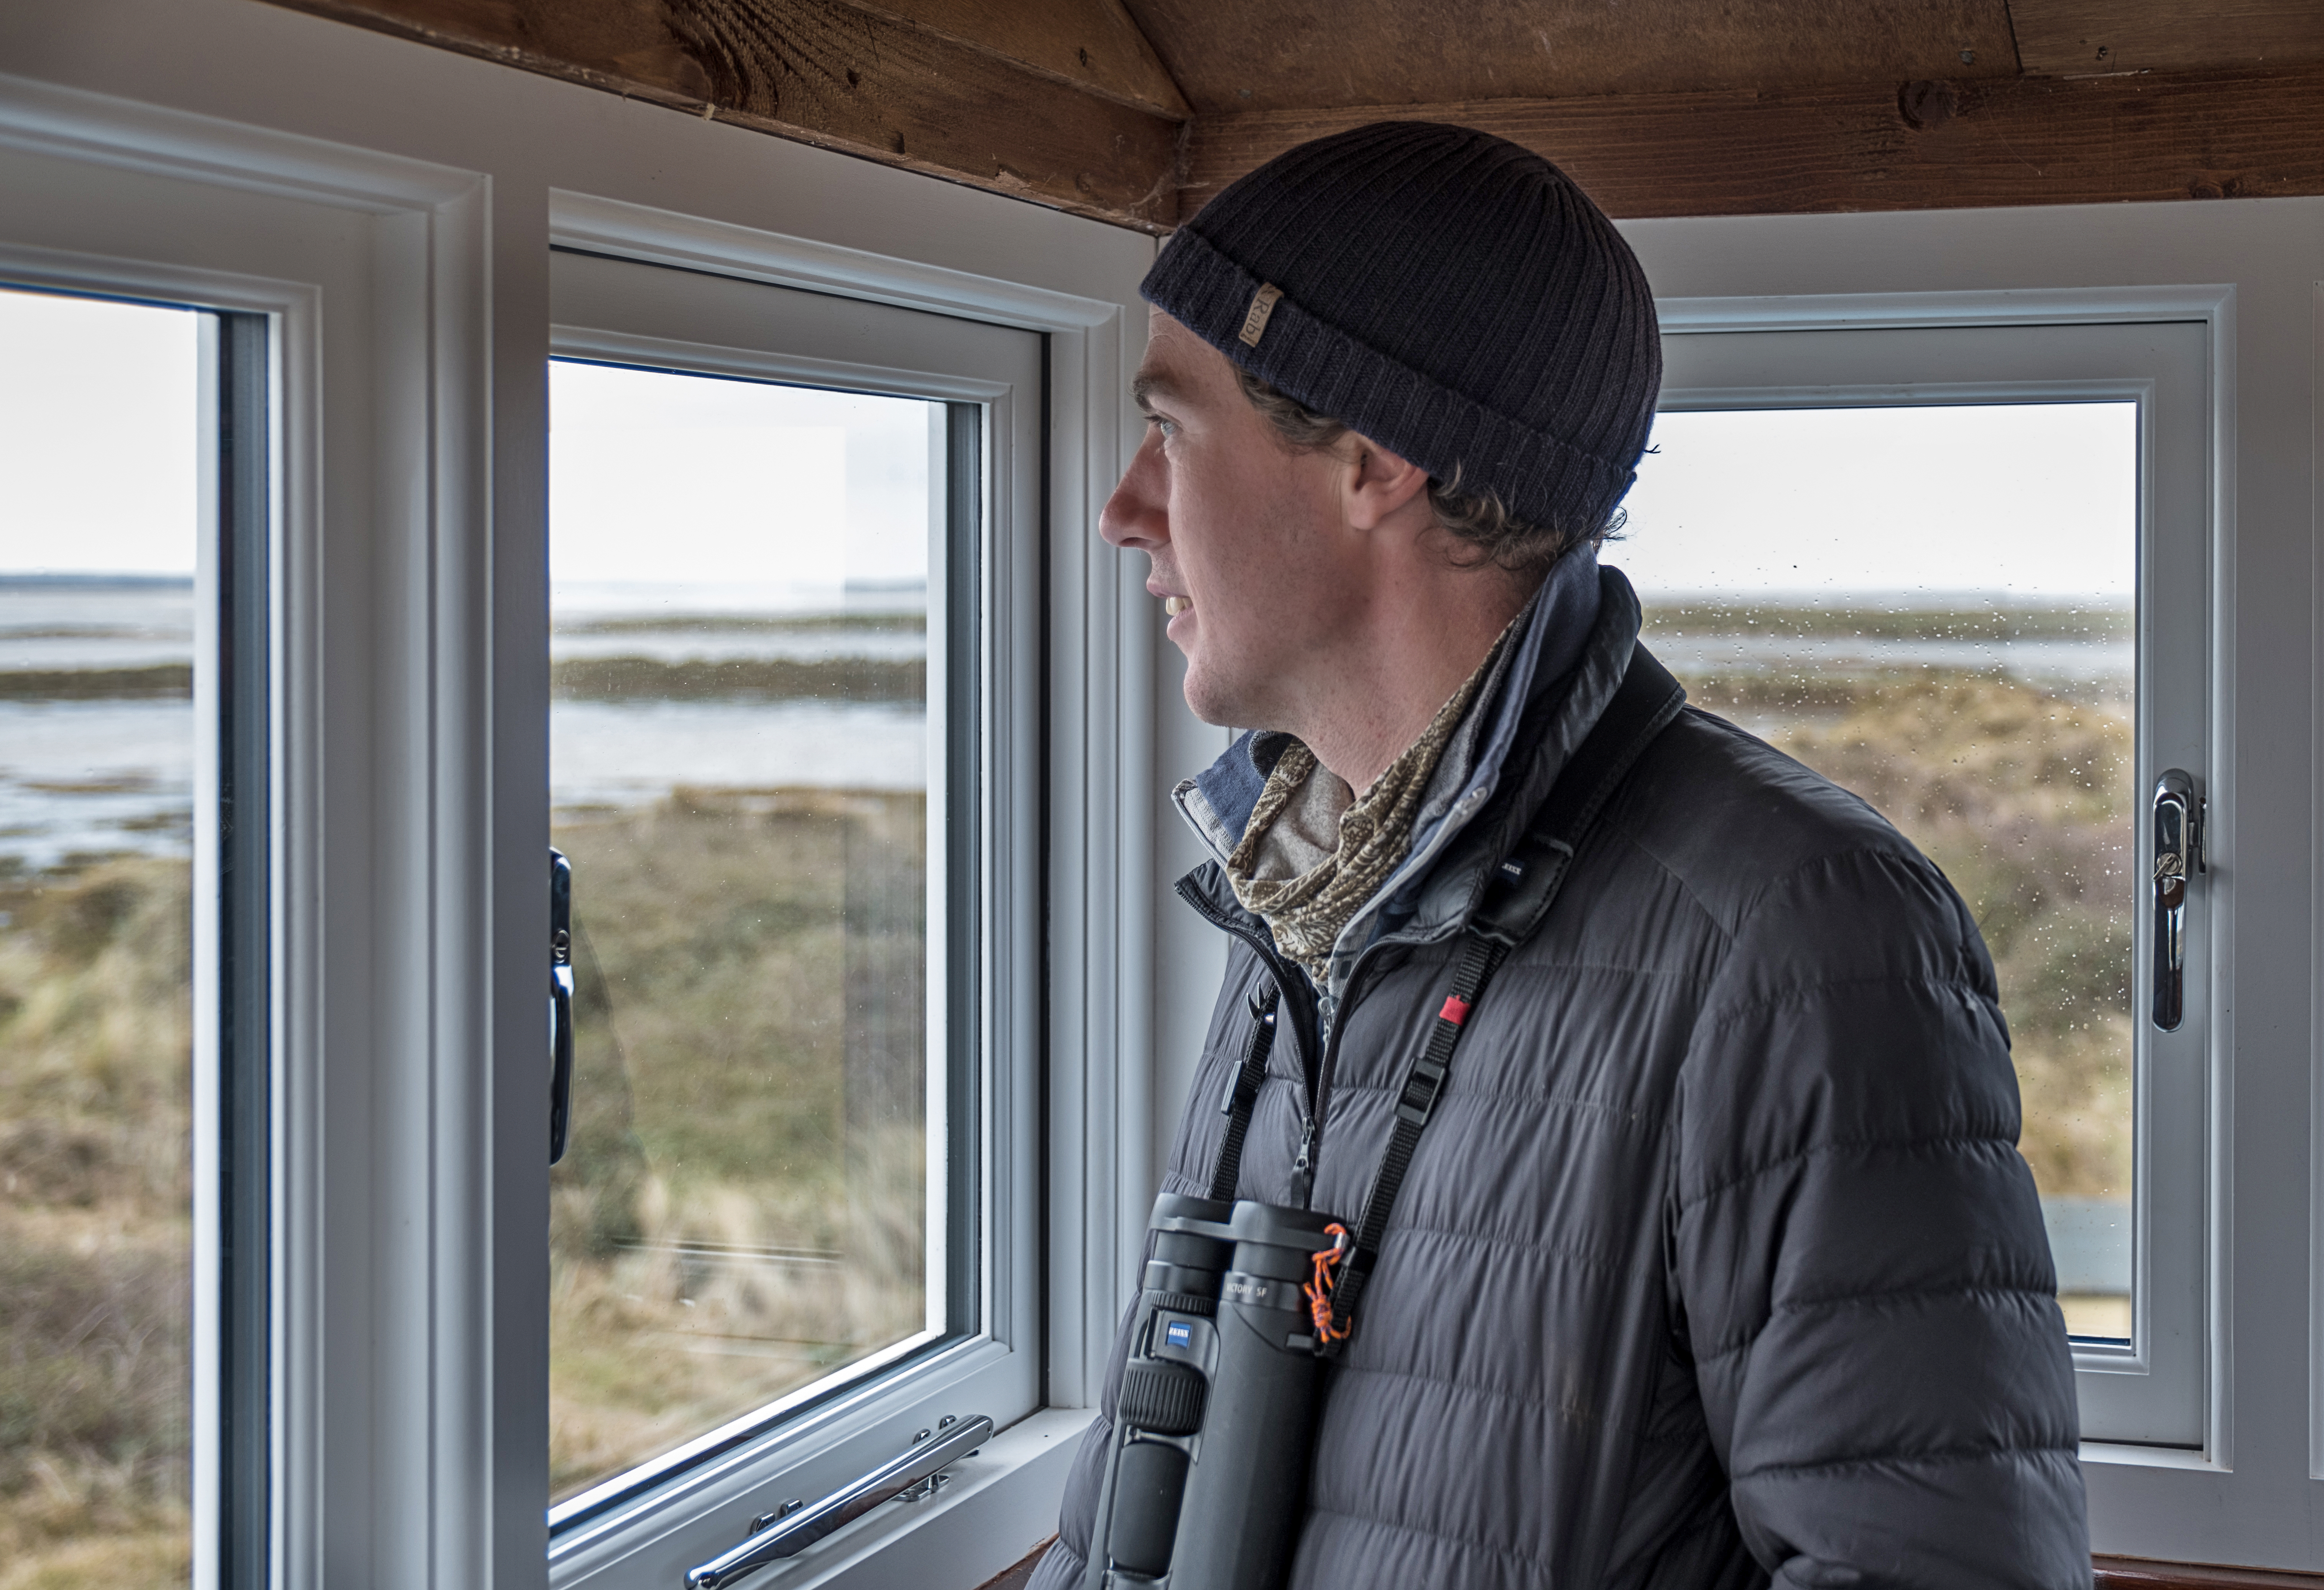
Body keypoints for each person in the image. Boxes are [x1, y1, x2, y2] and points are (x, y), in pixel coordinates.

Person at [1030, 122, 2089, 1589]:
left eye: (1174, 430)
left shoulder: (1801, 937)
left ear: (1371, 457)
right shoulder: (1311, 884)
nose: (1122, 508)